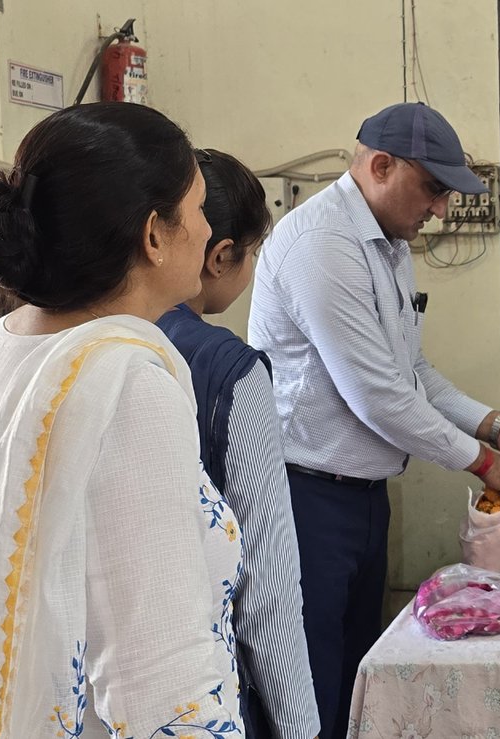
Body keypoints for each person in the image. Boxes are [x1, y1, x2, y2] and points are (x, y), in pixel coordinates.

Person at [0, 102, 245, 737]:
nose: (205, 228)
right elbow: (161, 680)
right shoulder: (126, 383)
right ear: (154, 235)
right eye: (197, 207)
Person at [248, 101, 500, 738]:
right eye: (433, 189)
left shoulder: (388, 246)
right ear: (381, 167)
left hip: (363, 498)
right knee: (308, 689)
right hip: (306, 500)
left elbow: (410, 371)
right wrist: (484, 463)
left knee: (356, 678)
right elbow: (378, 396)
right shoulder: (322, 245)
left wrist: (492, 424)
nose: (441, 209)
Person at [156, 149, 321, 739]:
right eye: (253, 254)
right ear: (219, 254)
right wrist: (301, 728)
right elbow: (266, 594)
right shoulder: (229, 370)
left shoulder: (41, 341)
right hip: (193, 689)